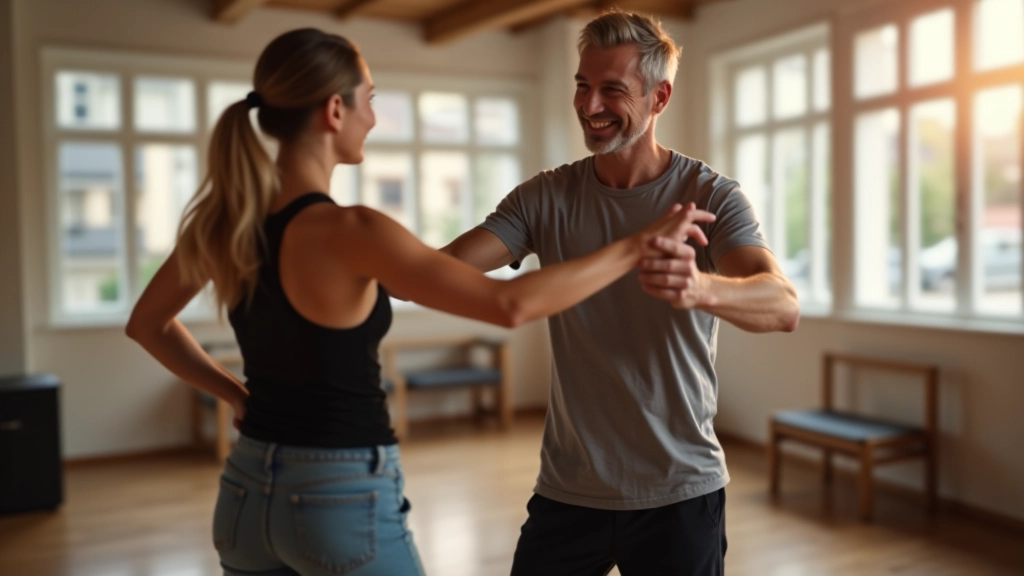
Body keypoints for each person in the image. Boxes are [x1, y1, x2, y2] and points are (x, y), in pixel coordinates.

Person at [125, 27, 708, 576]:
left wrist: (234, 394)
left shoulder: (225, 221)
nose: (373, 118)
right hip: (338, 495)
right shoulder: (354, 231)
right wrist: (635, 246)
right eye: (368, 100)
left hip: (246, 492)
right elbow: (510, 306)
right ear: (334, 111)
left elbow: (148, 324)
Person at [440, 10, 801, 576]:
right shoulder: (544, 197)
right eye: (583, 86)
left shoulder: (710, 196)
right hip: (568, 489)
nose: (589, 106)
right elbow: (446, 271)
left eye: (612, 89)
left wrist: (701, 286)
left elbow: (783, 305)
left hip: (680, 492)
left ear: (659, 97)